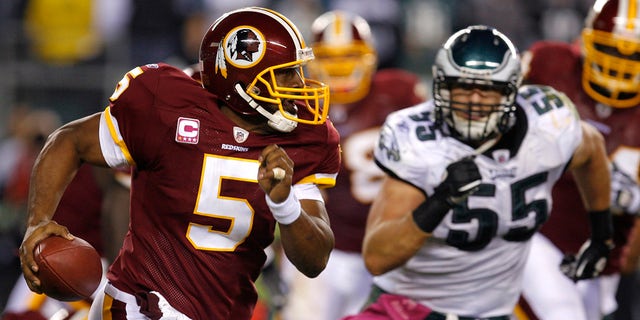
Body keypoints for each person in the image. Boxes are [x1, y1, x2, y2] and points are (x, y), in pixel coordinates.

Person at [17, 6, 340, 320]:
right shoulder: (168, 107)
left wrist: (284, 203)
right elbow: (69, 140)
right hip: (140, 303)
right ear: (242, 78)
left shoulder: (307, 137)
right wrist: (38, 221)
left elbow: (315, 261)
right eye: (284, 74)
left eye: (298, 70)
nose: (298, 85)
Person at [343, 25, 614, 319]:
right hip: (407, 308)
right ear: (441, 85)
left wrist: (601, 235)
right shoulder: (417, 140)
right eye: (462, 87)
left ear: (511, 91)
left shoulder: (547, 126)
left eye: (487, 90)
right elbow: (378, 257)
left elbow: (593, 151)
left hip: (492, 314)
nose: (474, 101)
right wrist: (441, 200)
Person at [279, 10, 426, 320]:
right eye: (330, 57)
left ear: (371, 58)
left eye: (349, 55)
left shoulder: (399, 95)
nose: (341, 65)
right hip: (324, 253)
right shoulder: (296, 102)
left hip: (388, 250)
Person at [518, 0, 640, 319]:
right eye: (611, 50)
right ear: (586, 41)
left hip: (608, 260)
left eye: (634, 54)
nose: (621, 64)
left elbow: (630, 258)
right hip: (539, 234)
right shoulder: (550, 66)